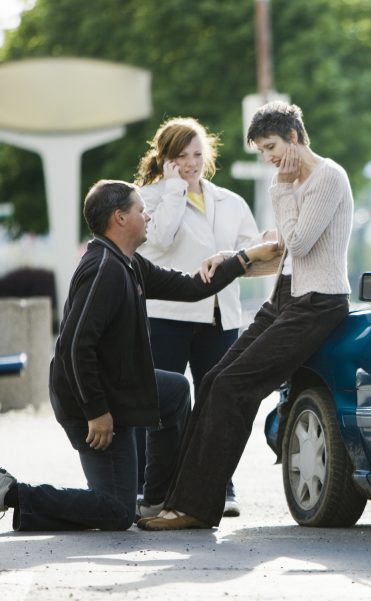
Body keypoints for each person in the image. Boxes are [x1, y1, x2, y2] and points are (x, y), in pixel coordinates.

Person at [0, 180, 281, 531]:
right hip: (90, 404)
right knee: (115, 511)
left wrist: (243, 258)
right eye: (140, 210)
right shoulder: (103, 269)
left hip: (118, 392)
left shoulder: (129, 263)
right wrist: (97, 413)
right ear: (120, 218)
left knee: (176, 390)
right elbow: (75, 347)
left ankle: (156, 499)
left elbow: (192, 288)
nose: (148, 216)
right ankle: (12, 492)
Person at [138, 101, 353, 530]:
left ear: (293, 137)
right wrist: (231, 257)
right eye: (263, 151)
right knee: (216, 379)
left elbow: (302, 241)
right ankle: (180, 501)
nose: (269, 158)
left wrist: (282, 189)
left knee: (233, 387)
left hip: (318, 302)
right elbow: (282, 251)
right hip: (286, 298)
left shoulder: (327, 177)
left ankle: (197, 507)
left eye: (271, 147)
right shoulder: (294, 182)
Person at [134, 116, 264, 518]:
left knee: (218, 403)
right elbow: (159, 239)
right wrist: (174, 190)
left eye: (197, 154)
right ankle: (149, 489)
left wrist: (232, 258)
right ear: (166, 158)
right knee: (155, 404)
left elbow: (254, 254)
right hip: (167, 316)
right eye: (181, 156)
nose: (191, 162)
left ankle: (220, 487)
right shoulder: (148, 198)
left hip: (218, 317)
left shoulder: (230, 201)